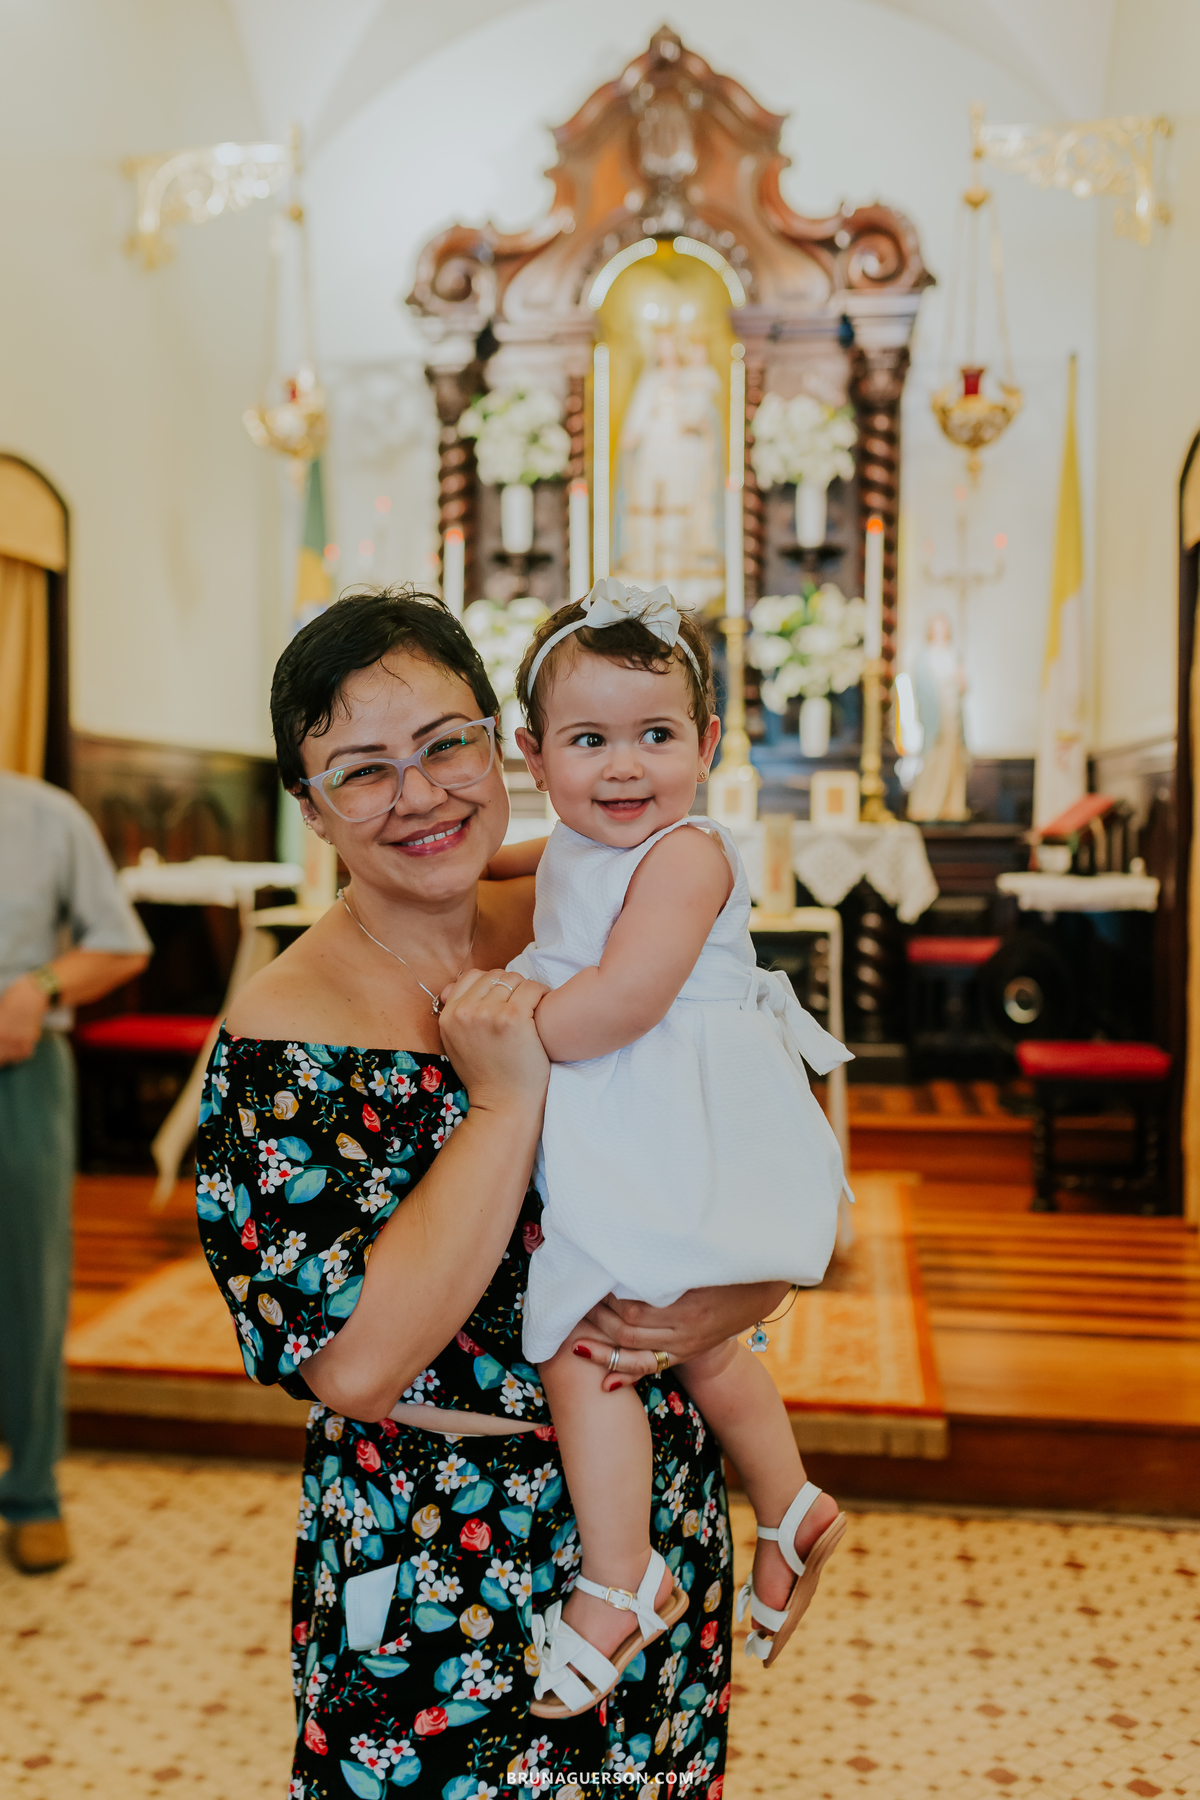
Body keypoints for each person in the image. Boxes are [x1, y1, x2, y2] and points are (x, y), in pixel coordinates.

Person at [196, 588, 784, 1794]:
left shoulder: (594, 914)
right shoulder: (283, 1035)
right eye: (362, 771)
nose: (419, 795)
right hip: (433, 1553)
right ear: (309, 810)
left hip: (645, 1518)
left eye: (444, 744)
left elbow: (751, 1134)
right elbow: (353, 1367)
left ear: (503, 743)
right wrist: (506, 1103)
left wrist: (737, 1299)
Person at [505, 580, 850, 1719]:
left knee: (580, 1331)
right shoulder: (571, 842)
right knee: (696, 1348)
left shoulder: (690, 852)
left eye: (655, 736)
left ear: (705, 744)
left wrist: (501, 1029)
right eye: (587, 740)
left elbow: (623, 1001)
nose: (622, 768)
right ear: (534, 754)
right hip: (640, 1114)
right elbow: (528, 877)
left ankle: (620, 1577)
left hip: (670, 1109)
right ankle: (792, 1504)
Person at [0, 771, 151, 1573]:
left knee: (26, 1285)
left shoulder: (44, 818)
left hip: (17, 1074)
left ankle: (30, 1492)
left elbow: (121, 942)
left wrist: (41, 986)